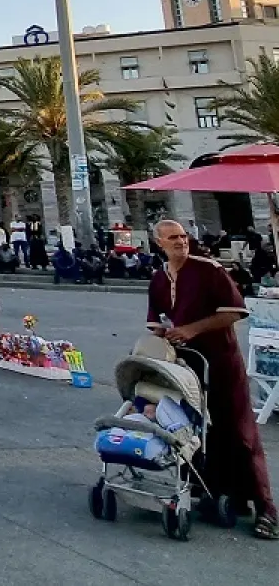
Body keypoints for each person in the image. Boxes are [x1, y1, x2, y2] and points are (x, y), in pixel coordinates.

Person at [147, 220, 277, 540]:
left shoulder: (208, 269)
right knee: (199, 430)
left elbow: (234, 311)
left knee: (241, 433)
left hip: (221, 361)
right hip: (187, 366)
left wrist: (192, 328)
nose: (180, 242)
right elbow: (155, 321)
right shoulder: (159, 279)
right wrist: (166, 332)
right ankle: (219, 494)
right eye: (172, 238)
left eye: (183, 236)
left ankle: (266, 508)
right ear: (159, 243)